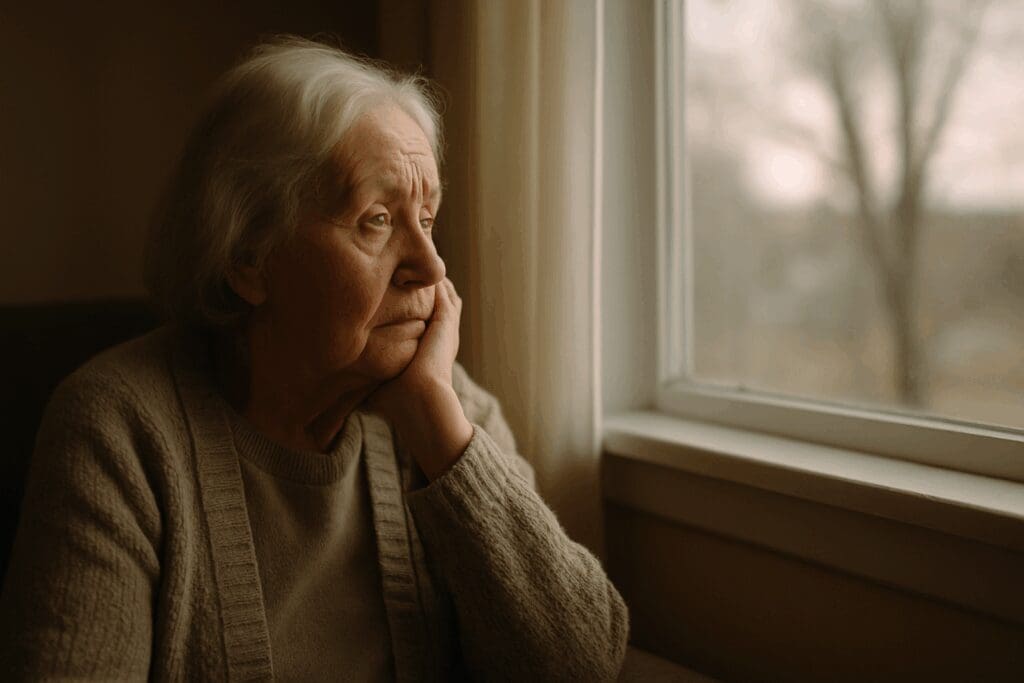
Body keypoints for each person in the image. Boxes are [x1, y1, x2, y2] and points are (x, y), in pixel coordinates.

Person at [0, 37, 628, 681]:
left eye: (429, 218)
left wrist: (445, 437)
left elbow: (584, 666)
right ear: (249, 255)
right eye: (377, 220)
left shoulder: (448, 411)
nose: (431, 266)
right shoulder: (118, 428)